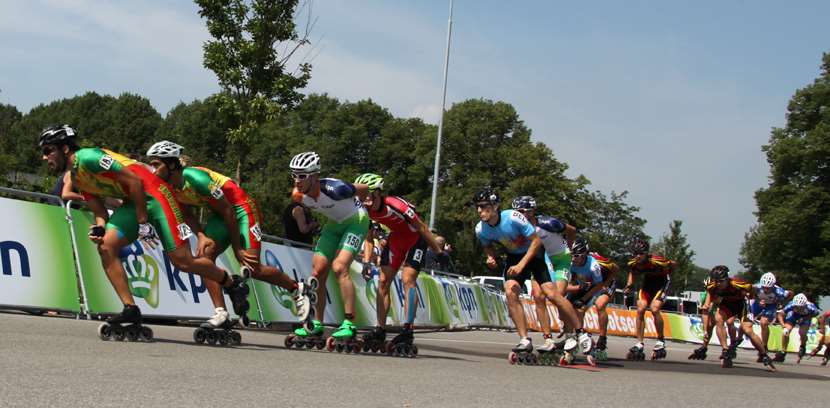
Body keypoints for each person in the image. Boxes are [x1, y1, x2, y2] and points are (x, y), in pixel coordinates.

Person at [39, 125, 249, 340]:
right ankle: (130, 309)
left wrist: (142, 222)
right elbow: (100, 211)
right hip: (133, 201)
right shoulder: (77, 177)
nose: (45, 157)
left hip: (156, 197)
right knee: (106, 246)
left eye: (48, 151)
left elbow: (135, 181)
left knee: (182, 261)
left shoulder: (90, 157)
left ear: (65, 149)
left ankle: (232, 284)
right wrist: (100, 226)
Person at [145, 141, 313, 334]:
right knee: (204, 258)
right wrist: (200, 236)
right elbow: (188, 214)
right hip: (220, 214)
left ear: (171, 165)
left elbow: (229, 212)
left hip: (241, 209)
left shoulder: (195, 177)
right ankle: (221, 313)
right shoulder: (169, 186)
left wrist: (238, 249)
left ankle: (296, 288)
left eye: (156, 164)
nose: (152, 169)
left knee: (252, 267)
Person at [474, 188, 590, 359]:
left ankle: (581, 333)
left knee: (552, 294)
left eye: (483, 206)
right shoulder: (481, 229)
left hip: (534, 254)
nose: (479, 211)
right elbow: (486, 244)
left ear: (495, 206)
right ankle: (525, 340)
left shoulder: (513, 218)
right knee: (511, 292)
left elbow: (536, 242)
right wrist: (490, 256)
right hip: (514, 257)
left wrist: (522, 265)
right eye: (477, 207)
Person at [286, 152, 371, 348]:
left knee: (340, 267)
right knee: (317, 272)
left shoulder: (336, 188)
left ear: (315, 176)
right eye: (294, 175)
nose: (297, 181)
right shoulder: (298, 195)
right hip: (334, 224)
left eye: (302, 176)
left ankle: (349, 322)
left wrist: (362, 208)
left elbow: (365, 189)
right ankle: (317, 323)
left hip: (356, 221)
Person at [355, 173, 443, 355]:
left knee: (407, 279)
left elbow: (422, 227)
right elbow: (369, 238)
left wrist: (438, 251)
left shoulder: (395, 205)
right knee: (382, 281)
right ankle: (380, 329)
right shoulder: (363, 209)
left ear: (379, 193)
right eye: (363, 194)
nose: (366, 198)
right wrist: (365, 262)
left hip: (415, 239)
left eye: (370, 193)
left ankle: (407, 330)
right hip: (396, 239)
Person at [510, 195, 587, 354]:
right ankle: (548, 339)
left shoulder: (548, 223)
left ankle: (571, 334)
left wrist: (570, 247)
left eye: (524, 211)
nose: (520, 215)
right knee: (538, 296)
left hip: (561, 259)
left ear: (532, 212)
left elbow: (571, 230)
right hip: (541, 259)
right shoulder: (517, 228)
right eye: (517, 211)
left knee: (556, 295)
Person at [702, 265, 776, 370]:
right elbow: (705, 308)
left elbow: (753, 290)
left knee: (748, 330)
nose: (718, 284)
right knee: (718, 318)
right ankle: (725, 350)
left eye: (721, 281)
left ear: (727, 279)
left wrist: (758, 300)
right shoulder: (711, 286)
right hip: (728, 304)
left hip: (742, 304)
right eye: (716, 281)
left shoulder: (737, 283)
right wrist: (705, 330)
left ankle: (764, 354)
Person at [566, 237, 618, 359]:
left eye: (576, 256)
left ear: (584, 255)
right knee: (570, 309)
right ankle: (579, 335)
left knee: (598, 305)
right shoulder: (570, 262)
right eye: (572, 255)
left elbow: (615, 269)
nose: (573, 258)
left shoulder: (595, 265)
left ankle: (602, 339)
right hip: (589, 282)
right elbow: (572, 280)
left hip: (605, 281)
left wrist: (584, 299)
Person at [624, 239, 675, 360]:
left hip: (662, 284)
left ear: (647, 253)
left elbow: (673, 264)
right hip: (647, 285)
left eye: (641, 253)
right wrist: (629, 284)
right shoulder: (633, 263)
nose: (638, 256)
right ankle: (639, 343)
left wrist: (669, 273)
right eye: (635, 253)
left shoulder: (657, 261)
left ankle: (661, 340)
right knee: (640, 308)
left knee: (654, 308)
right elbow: (632, 272)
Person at [750, 272, 793, 361]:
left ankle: (764, 346)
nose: (765, 289)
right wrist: (757, 299)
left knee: (764, 322)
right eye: (764, 287)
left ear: (773, 285)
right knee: (746, 322)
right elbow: (749, 293)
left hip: (771, 305)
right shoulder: (756, 287)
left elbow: (791, 293)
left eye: (768, 288)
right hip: (758, 303)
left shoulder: (779, 291)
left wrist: (781, 303)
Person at [774, 293, 820, 363]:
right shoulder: (791, 305)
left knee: (802, 332)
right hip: (793, 315)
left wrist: (804, 318)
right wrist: (783, 325)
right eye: (796, 306)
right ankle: (783, 351)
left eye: (800, 307)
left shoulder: (811, 307)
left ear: (805, 305)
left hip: (805, 317)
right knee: (785, 331)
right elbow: (780, 314)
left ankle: (803, 346)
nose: (798, 308)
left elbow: (816, 313)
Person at [688, 277, 717, 360]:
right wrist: (704, 330)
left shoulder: (720, 291)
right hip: (711, 311)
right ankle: (704, 347)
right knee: (709, 328)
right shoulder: (704, 295)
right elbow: (705, 311)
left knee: (717, 323)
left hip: (720, 309)